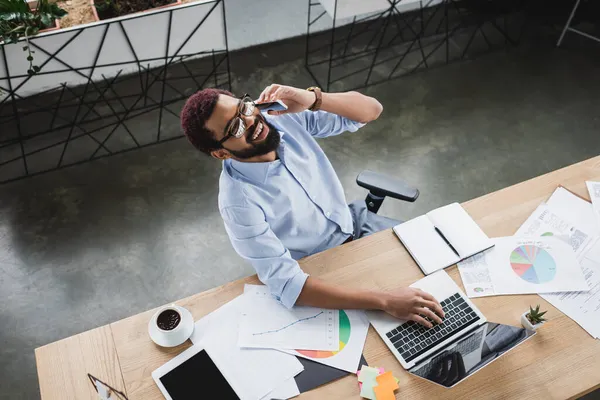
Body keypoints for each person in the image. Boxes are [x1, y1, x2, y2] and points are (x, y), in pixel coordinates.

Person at [180, 84, 444, 327]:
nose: (251, 121)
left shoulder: (280, 118)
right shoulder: (238, 203)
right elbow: (287, 283)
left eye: (244, 108)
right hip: (320, 267)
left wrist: (313, 99)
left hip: (356, 221)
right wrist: (385, 301)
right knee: (402, 322)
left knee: (440, 264)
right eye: (235, 128)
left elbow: (371, 111)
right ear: (221, 152)